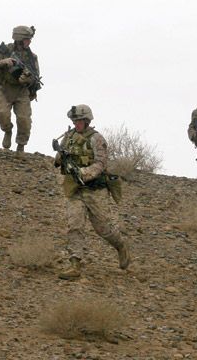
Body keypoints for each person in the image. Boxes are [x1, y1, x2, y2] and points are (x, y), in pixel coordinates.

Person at [54, 104, 130, 280]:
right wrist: (59, 155)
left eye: (79, 121)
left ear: (87, 121)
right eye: (74, 121)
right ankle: (75, 264)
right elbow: (60, 160)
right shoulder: (69, 137)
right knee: (74, 224)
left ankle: (121, 246)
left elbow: (101, 164)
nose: (76, 124)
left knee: (103, 228)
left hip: (95, 190)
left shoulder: (97, 139)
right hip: (75, 189)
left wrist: (84, 173)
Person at [0, 25, 42, 152]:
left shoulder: (32, 58)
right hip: (5, 88)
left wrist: (27, 79)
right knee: (2, 114)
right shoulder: (5, 50)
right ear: (19, 39)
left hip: (22, 91)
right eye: (27, 39)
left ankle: (21, 146)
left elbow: (36, 77)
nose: (29, 42)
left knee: (24, 120)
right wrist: (4, 61)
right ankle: (7, 131)